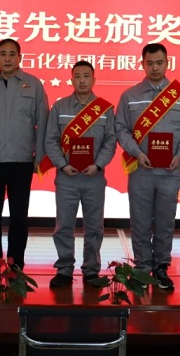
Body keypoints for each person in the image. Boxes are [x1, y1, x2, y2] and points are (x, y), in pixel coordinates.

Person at [114, 43, 180, 291]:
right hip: (141, 170)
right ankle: (141, 268)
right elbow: (121, 129)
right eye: (150, 63)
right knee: (139, 221)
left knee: (165, 222)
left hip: (170, 171)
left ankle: (161, 267)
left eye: (159, 63)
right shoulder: (130, 96)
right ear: (142, 64)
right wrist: (137, 153)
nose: (155, 68)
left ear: (167, 63)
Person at [0, 38, 49, 281]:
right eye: (3, 53)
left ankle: (16, 266)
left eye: (12, 54)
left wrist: (39, 156)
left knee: (19, 215)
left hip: (22, 160)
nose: (7, 58)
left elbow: (42, 122)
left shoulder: (33, 85)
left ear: (19, 58)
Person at [45, 61, 117, 288]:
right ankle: (64, 269)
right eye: (77, 76)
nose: (82, 80)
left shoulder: (104, 109)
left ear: (94, 79)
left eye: (86, 76)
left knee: (94, 227)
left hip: (94, 177)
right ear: (71, 79)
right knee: (64, 226)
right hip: (67, 177)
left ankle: (91, 270)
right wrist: (62, 165)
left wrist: (98, 165)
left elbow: (110, 141)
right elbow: (51, 140)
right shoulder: (60, 107)